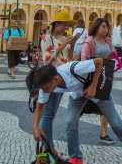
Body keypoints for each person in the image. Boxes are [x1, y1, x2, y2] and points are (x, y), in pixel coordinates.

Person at [31, 59, 122, 164]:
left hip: (97, 90)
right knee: (70, 122)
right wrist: (35, 126)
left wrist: (93, 86)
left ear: (55, 79)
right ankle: (76, 158)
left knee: (115, 122)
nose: (45, 91)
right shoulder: (46, 87)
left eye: (45, 88)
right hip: (78, 95)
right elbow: (40, 107)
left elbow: (99, 62)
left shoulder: (74, 68)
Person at [38, 11, 78, 150]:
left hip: (62, 78)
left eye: (67, 25)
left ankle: (47, 146)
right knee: (48, 115)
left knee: (51, 114)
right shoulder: (46, 38)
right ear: (56, 25)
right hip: (51, 78)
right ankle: (48, 147)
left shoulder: (65, 39)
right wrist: (62, 46)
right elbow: (47, 60)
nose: (67, 28)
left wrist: (72, 46)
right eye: (65, 25)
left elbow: (70, 60)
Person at [80, 17, 117, 144]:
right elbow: (84, 59)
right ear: (96, 27)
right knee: (81, 105)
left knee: (105, 106)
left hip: (105, 76)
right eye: (103, 26)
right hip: (91, 77)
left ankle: (103, 133)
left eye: (107, 27)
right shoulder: (89, 41)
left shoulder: (108, 41)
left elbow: (113, 55)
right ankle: (72, 129)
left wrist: (112, 60)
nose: (106, 29)